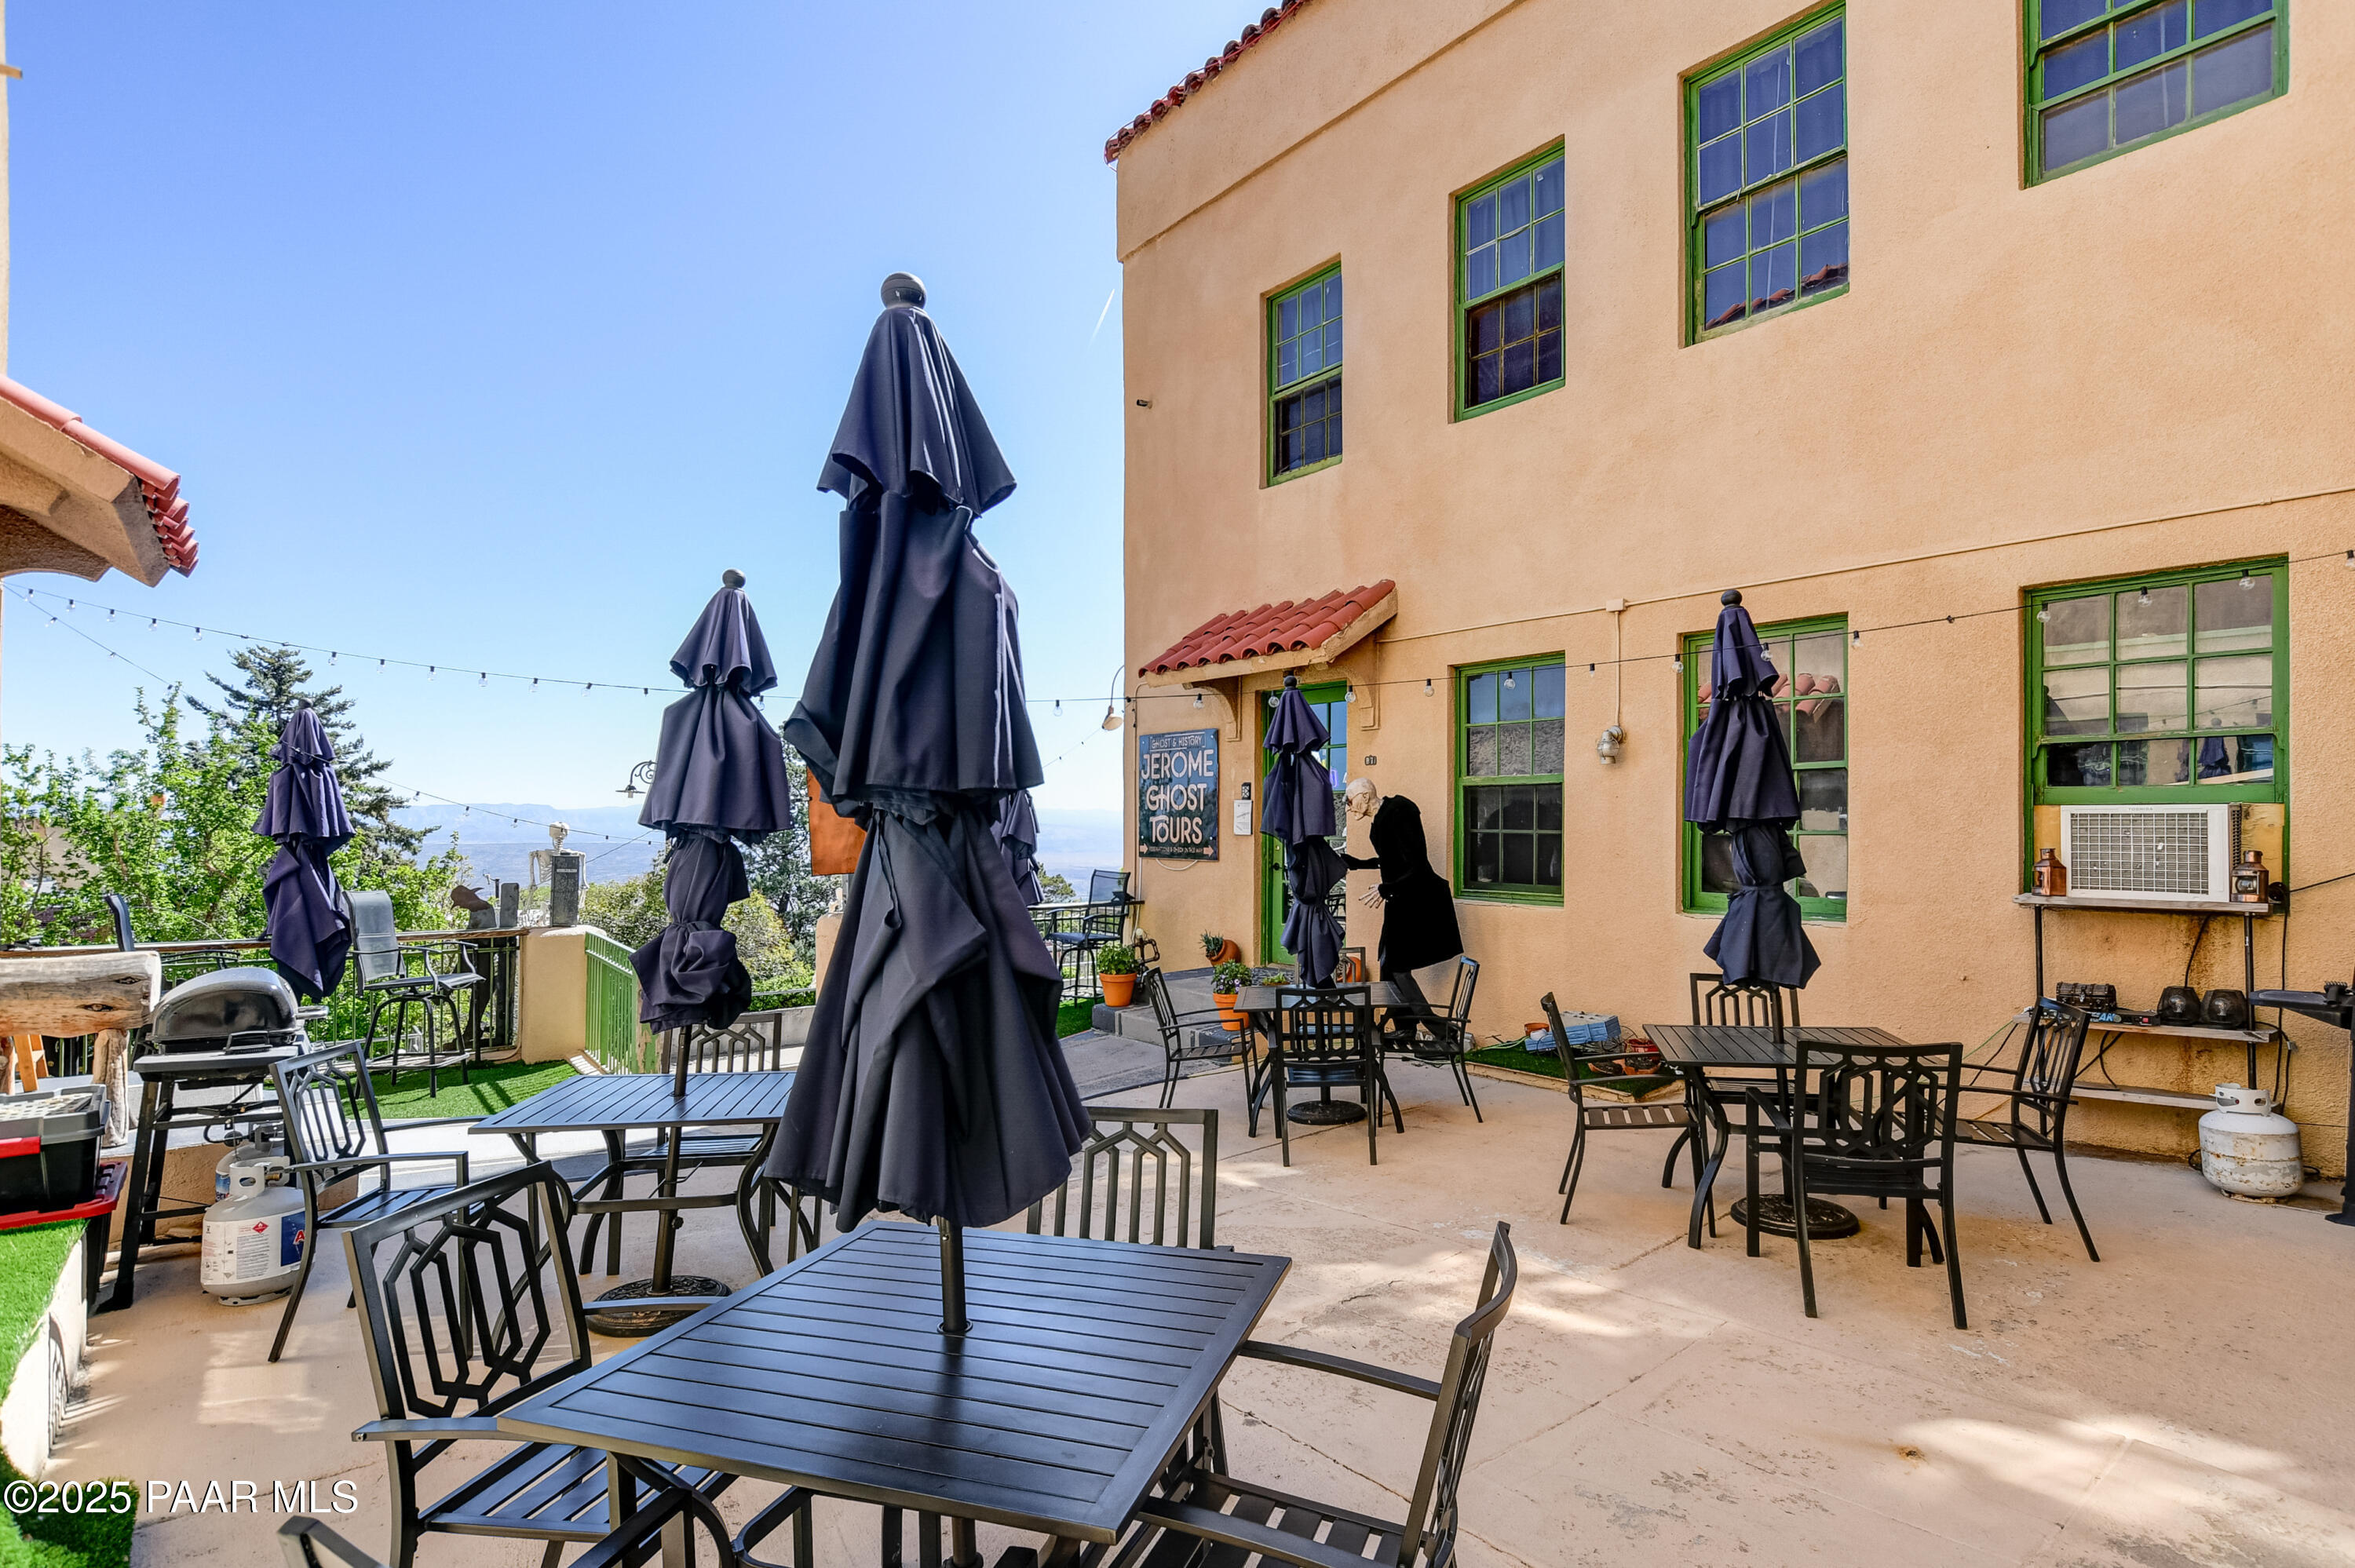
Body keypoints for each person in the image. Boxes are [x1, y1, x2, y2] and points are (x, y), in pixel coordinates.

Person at [1342, 779, 1463, 1031]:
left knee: (1396, 966)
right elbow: (1391, 860)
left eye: (1349, 800)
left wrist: (1386, 889)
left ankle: (1440, 1030)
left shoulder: (1399, 812)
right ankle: (1404, 1030)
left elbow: (1417, 863)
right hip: (1399, 901)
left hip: (1417, 901)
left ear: (1365, 797)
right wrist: (1357, 863)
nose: (1347, 807)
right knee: (1389, 965)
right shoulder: (1379, 822)